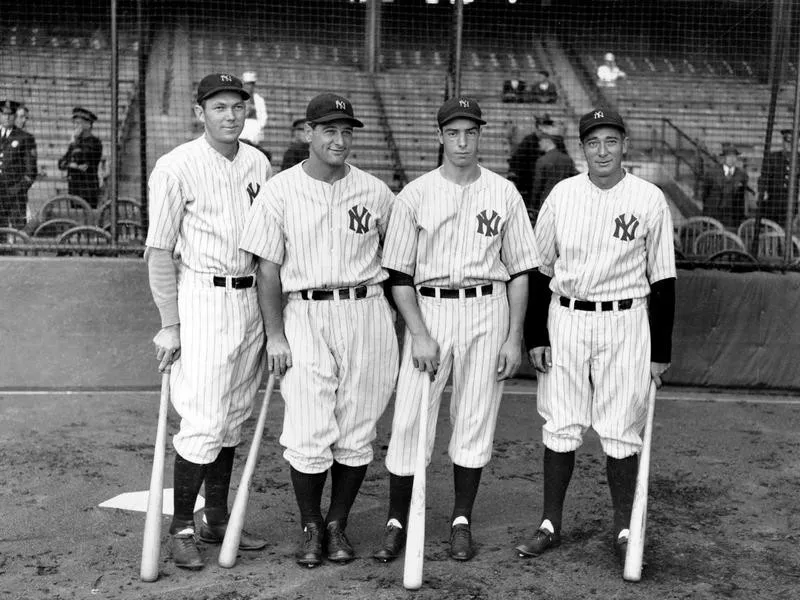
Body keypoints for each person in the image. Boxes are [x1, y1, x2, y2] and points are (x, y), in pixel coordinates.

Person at [372, 96, 540, 564]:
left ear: (480, 135)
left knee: (474, 416)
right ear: (440, 136)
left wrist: (513, 336)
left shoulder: (504, 192)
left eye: (471, 132)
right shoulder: (416, 194)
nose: (462, 141)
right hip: (430, 310)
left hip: (488, 308)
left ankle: (461, 520)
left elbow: (521, 270)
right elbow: (399, 276)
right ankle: (396, 521)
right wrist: (420, 334)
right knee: (410, 417)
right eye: (453, 132)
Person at [239, 93, 399, 568]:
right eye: (329, 129)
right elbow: (267, 270)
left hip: (367, 311)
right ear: (307, 133)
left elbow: (401, 263)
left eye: (347, 130)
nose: (339, 139)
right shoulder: (279, 190)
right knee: (308, 427)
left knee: (356, 429)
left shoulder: (375, 192)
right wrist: (275, 335)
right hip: (304, 313)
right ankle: (310, 525)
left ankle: (337, 523)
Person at [516, 108, 676, 568]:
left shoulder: (648, 198)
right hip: (566, 319)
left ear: (624, 144)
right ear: (582, 147)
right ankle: (549, 523)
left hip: (626, 320)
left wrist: (660, 354)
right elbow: (539, 269)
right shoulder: (562, 195)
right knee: (561, 423)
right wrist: (536, 335)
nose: (602, 150)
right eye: (592, 142)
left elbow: (663, 280)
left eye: (610, 140)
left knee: (621, 428)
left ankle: (625, 528)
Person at [145, 72, 272, 570]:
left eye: (237, 106)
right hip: (202, 296)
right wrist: (169, 323)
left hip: (250, 298)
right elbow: (158, 253)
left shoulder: (258, 162)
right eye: (219, 107)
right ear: (200, 112)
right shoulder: (176, 166)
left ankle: (215, 518)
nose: (230, 115)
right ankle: (180, 526)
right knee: (202, 418)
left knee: (234, 415)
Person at [0, 100, 37, 229]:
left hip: (15, 195)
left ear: (14, 116)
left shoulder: (25, 138)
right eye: (4, 114)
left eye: (10, 114)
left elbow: (31, 172)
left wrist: (17, 190)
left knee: (18, 232)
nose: (7, 117)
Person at [57, 107, 103, 208]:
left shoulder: (95, 142)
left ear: (88, 124)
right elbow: (61, 164)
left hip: (88, 189)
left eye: (79, 123)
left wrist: (72, 164)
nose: (76, 126)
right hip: (74, 188)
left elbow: (82, 159)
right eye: (75, 123)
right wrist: (73, 165)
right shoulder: (76, 142)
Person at [508, 114, 555, 207]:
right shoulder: (528, 141)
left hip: (544, 184)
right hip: (528, 183)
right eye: (543, 127)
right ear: (538, 128)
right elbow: (516, 161)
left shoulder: (552, 141)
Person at [701, 143, 748, 228]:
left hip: (732, 215)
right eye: (729, 156)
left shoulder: (742, 175)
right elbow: (705, 193)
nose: (732, 159)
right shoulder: (712, 173)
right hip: (713, 213)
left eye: (734, 156)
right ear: (724, 158)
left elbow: (742, 197)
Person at [530, 130, 576, 216]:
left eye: (540, 141)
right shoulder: (567, 159)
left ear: (547, 141)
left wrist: (533, 207)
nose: (539, 143)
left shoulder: (542, 160)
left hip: (547, 203)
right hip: (565, 202)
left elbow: (537, 186)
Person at [759, 128, 799, 224]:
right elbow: (764, 176)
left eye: (792, 142)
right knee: (771, 226)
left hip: (791, 200)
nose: (789, 144)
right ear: (783, 142)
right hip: (773, 199)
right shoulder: (773, 157)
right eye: (786, 141)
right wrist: (762, 191)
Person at [240, 71, 269, 157]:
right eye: (247, 84)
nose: (249, 86)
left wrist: (258, 126)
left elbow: (263, 116)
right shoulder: (238, 98)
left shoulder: (259, 99)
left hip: (255, 128)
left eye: (251, 84)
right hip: (242, 128)